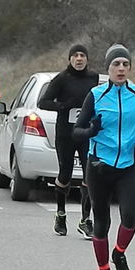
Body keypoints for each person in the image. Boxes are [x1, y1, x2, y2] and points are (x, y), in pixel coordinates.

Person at [73, 44, 135, 270]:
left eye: (125, 64)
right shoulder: (96, 95)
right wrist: (92, 131)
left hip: (127, 166)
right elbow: (77, 132)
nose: (121, 69)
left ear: (130, 68)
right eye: (116, 65)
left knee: (130, 217)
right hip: (99, 167)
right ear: (108, 68)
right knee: (101, 224)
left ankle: (119, 254)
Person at [38, 44, 99, 238]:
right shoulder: (62, 79)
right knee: (65, 174)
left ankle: (85, 220)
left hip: (86, 132)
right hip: (65, 133)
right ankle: (61, 214)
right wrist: (63, 106)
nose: (79, 59)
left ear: (87, 59)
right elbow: (43, 102)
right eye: (75, 56)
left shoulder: (94, 78)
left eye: (82, 55)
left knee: (89, 174)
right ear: (70, 59)